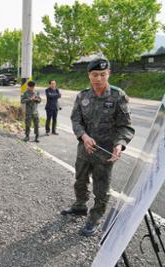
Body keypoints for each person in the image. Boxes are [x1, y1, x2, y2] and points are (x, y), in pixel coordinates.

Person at [61, 58, 135, 236]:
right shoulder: (82, 96)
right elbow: (76, 120)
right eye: (95, 75)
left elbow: (125, 126)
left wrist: (120, 145)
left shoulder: (118, 96)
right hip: (84, 150)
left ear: (108, 74)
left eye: (103, 74)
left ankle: (94, 218)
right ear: (89, 75)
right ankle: (79, 206)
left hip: (105, 153)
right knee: (80, 181)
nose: (99, 79)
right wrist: (84, 136)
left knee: (101, 189)